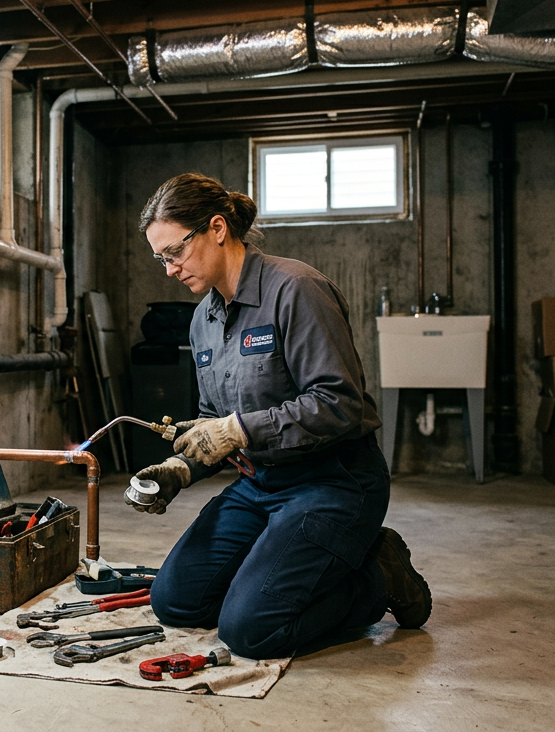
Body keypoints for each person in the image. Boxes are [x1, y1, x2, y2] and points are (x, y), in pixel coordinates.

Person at [130, 173, 432, 660]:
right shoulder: (202, 320)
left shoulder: (296, 290)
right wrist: (183, 469)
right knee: (175, 602)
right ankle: (278, 572)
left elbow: (340, 403)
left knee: (251, 631)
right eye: (160, 258)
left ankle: (377, 576)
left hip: (334, 481)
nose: (169, 270)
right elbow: (213, 421)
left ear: (217, 228)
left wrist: (239, 429)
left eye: (175, 252)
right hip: (260, 484)